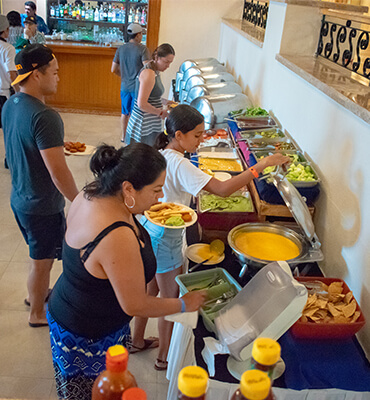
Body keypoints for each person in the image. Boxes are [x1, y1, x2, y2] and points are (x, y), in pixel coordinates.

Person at [131, 104, 290, 371]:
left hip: (152, 230)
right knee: (172, 301)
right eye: (197, 135)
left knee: (151, 289)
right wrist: (260, 166)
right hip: (167, 238)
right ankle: (163, 359)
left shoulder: (164, 154)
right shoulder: (181, 164)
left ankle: (136, 341)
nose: (202, 139)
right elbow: (223, 189)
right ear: (178, 135)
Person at [46, 143, 206, 400]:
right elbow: (135, 305)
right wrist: (183, 304)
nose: (161, 197)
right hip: (86, 331)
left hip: (79, 308)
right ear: (128, 188)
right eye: (156, 190)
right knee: (94, 393)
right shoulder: (116, 235)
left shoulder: (94, 192)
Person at [2, 44, 79, 327]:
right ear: (36, 74)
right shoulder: (45, 117)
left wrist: (57, 145)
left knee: (39, 255)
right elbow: (58, 174)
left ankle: (36, 294)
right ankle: (36, 313)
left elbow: (21, 145)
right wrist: (81, 202)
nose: (58, 78)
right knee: (42, 260)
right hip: (41, 205)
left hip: (20, 197)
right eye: (55, 72)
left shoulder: (12, 104)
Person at [125, 43, 176, 146]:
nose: (168, 66)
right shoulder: (149, 73)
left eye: (170, 63)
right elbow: (142, 104)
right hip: (143, 124)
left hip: (150, 122)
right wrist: (161, 113)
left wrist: (165, 101)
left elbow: (150, 95)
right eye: (166, 62)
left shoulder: (155, 71)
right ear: (157, 57)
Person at [111, 23, 150, 142]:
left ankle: (123, 136)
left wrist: (123, 76)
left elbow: (113, 69)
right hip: (137, 87)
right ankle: (133, 137)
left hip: (125, 86)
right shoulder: (143, 49)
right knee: (136, 114)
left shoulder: (120, 49)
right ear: (138, 35)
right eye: (141, 34)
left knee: (124, 113)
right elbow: (147, 68)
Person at [0, 15, 17, 126]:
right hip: (3, 95)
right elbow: (11, 73)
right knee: (7, 127)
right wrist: (19, 92)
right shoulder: (8, 48)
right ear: (6, 30)